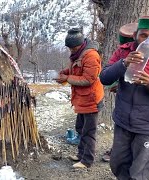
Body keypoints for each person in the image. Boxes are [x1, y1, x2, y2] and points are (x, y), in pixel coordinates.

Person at [99, 15, 149, 179]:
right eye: (144, 35)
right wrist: (123, 64)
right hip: (123, 122)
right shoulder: (124, 50)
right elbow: (104, 77)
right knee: (118, 164)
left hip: (148, 127)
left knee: (140, 173)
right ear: (136, 34)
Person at [56, 28, 104, 168]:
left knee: (89, 131)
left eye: (73, 48)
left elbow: (88, 79)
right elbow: (75, 70)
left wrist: (67, 78)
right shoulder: (78, 54)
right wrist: (63, 73)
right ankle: (81, 154)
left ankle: (87, 160)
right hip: (82, 100)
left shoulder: (91, 56)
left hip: (91, 99)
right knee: (81, 128)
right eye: (70, 48)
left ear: (80, 44)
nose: (71, 51)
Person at [101, 22, 138, 162]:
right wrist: (118, 82)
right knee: (119, 162)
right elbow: (105, 76)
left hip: (147, 120)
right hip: (124, 114)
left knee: (139, 168)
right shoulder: (122, 53)